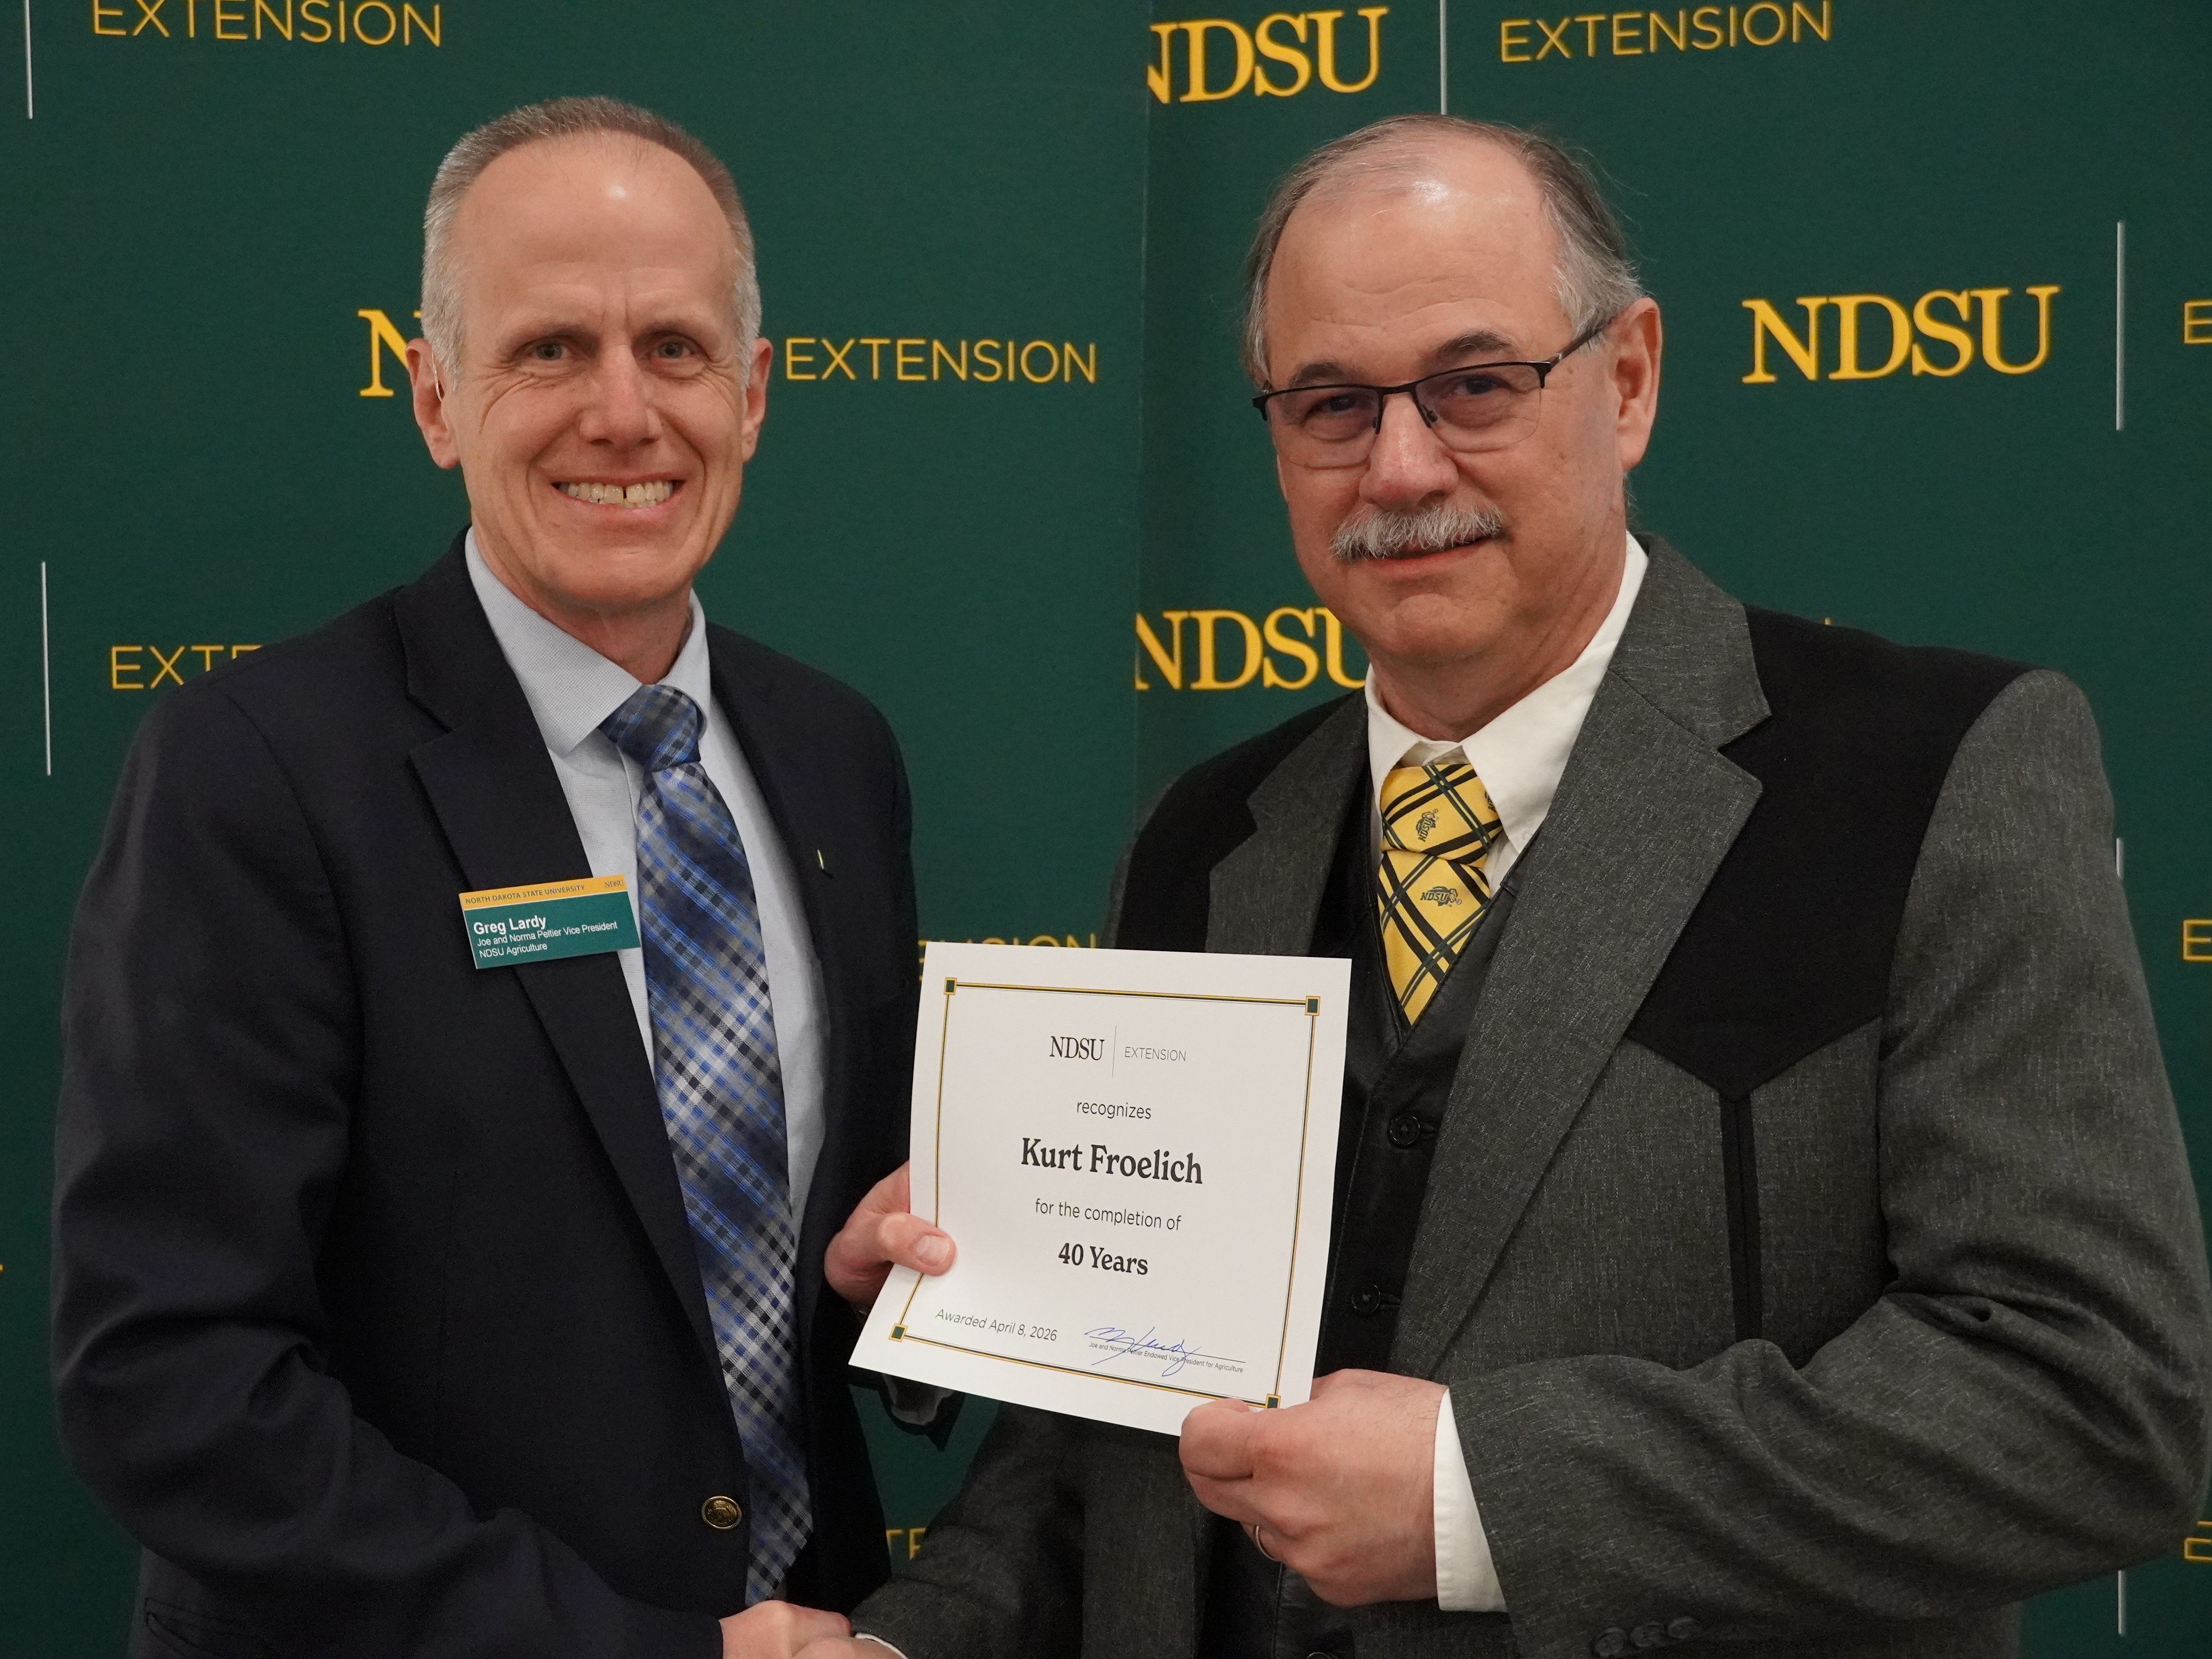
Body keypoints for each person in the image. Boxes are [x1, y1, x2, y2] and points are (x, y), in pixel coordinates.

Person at [823, 114, 2212, 1659]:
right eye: (1333, 405)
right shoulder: (1202, 841)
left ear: (1629, 380)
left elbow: (2093, 1400)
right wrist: (911, 1639)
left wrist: (1476, 1495)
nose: (1401, 466)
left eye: (1476, 384)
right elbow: (1113, 1451)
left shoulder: (1935, 772)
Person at [53, 97, 936, 1659]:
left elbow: (782, 1268)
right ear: (436, 398)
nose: (623, 413)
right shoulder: (254, 772)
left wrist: (888, 1297)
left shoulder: (836, 754)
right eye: (550, 350)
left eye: (674, 348)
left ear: (752, 396)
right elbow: (172, 1381)